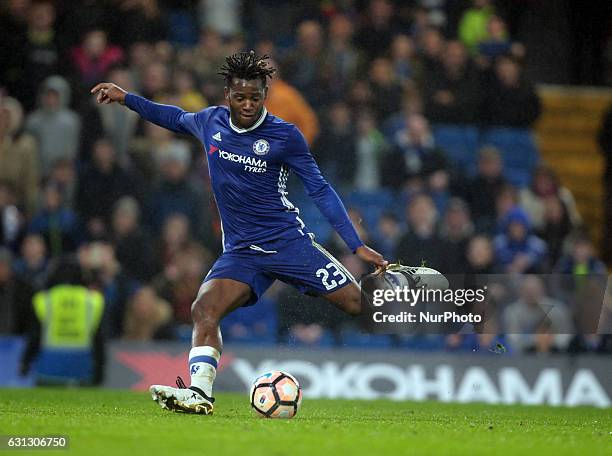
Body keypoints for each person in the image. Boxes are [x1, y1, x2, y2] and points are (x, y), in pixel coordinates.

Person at [91, 51, 390, 415]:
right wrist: (127, 98)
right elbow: (172, 117)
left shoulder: (285, 136)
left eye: (255, 97)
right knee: (204, 308)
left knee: (360, 305)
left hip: (287, 243)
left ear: (266, 94)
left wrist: (356, 245)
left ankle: (430, 306)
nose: (248, 104)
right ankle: (200, 393)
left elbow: (320, 190)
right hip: (241, 252)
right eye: (240, 97)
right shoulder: (210, 122)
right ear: (227, 95)